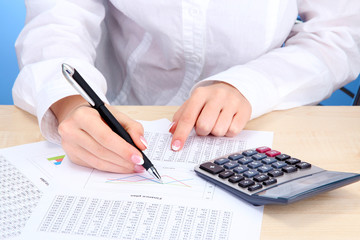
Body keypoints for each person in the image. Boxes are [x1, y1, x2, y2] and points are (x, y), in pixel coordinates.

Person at [13, 1, 360, 174]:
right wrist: (70, 102)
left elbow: (341, 32)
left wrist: (252, 83)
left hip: (269, 117)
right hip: (123, 113)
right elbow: (57, 18)